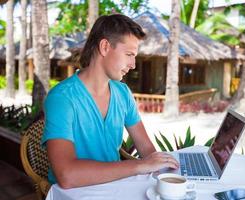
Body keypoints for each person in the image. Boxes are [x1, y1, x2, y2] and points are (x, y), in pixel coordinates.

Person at [42, 14, 179, 189]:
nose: (133, 64)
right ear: (105, 47)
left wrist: (169, 171)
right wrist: (138, 165)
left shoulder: (122, 93)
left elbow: (146, 149)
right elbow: (67, 175)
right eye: (129, 54)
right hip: (75, 193)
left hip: (113, 187)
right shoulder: (62, 98)